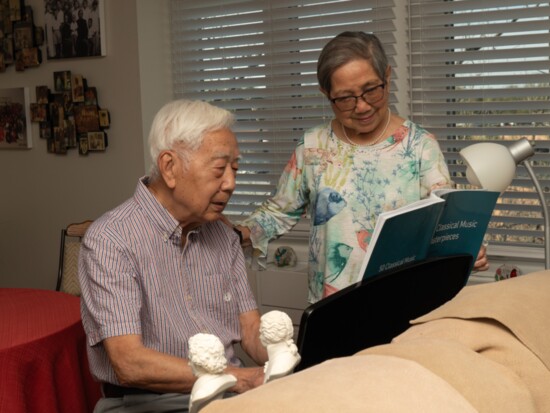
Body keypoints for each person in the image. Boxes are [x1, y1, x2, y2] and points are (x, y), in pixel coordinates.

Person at [233, 31, 489, 304]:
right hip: (333, 306)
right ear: (326, 94)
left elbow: (446, 223)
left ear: (387, 77)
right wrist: (237, 235)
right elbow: (278, 211)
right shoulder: (312, 146)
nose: (362, 106)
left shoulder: (421, 146)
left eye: (371, 90)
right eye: (345, 98)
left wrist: (469, 248)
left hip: (406, 303)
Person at [78, 99, 268, 412]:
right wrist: (240, 378)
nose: (231, 183)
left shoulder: (221, 233)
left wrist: (287, 358)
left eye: (235, 170)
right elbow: (130, 362)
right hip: (146, 402)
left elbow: (249, 330)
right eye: (220, 169)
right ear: (170, 167)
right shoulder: (110, 240)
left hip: (226, 395)